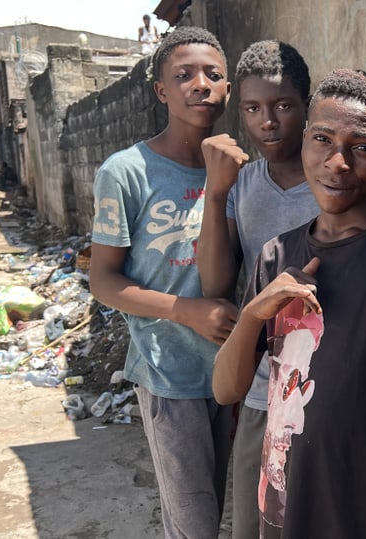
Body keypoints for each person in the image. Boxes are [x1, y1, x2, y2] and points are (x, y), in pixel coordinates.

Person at [195, 40, 366, 539]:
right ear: (304, 139)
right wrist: (253, 316)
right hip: (287, 497)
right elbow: (226, 388)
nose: (338, 162)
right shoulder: (277, 255)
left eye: (362, 148)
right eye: (323, 140)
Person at [89, 26, 237, 538]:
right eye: (184, 76)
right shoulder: (126, 172)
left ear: (227, 89)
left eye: (213, 75)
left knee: (225, 510)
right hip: (169, 370)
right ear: (161, 91)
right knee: (194, 524)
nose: (201, 85)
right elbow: (104, 281)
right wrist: (184, 309)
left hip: (236, 371)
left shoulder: (240, 170)